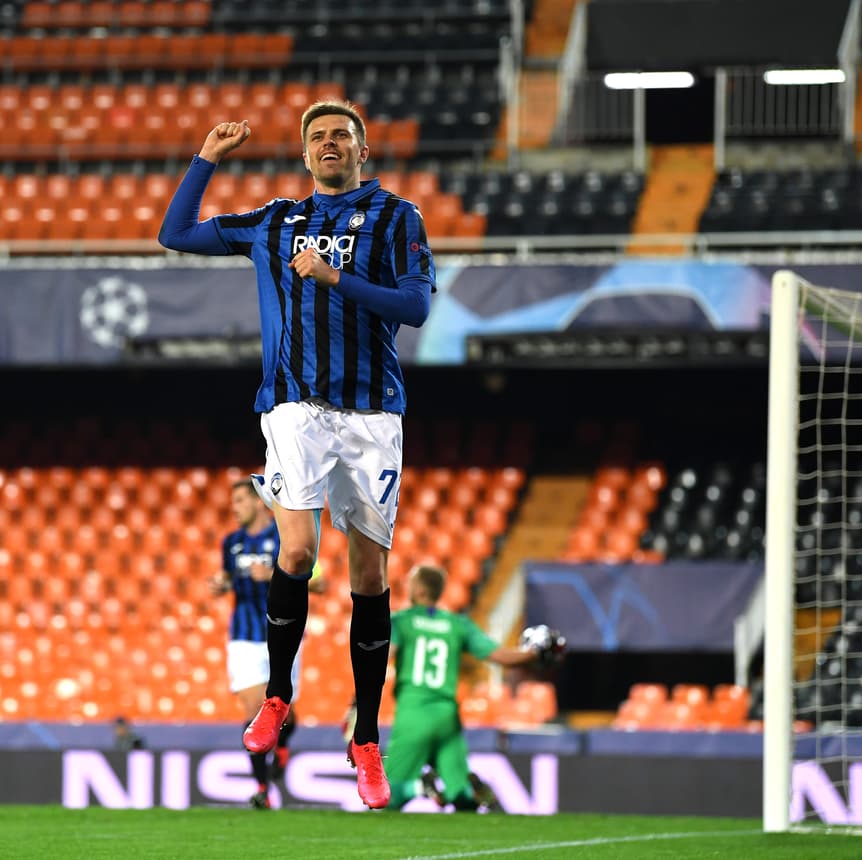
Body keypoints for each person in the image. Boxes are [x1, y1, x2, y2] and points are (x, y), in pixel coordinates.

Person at [159, 99, 436, 810]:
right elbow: (176, 233)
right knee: (296, 553)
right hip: (294, 406)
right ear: (305, 155)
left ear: (362, 152)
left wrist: (334, 276)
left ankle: (366, 736)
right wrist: (207, 159)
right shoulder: (276, 221)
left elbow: (415, 308)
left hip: (372, 413)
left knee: (369, 574)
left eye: (342, 135)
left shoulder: (398, 219)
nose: (329, 144)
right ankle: (278, 697)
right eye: (318, 137)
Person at [383, 564, 550, 812]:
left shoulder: (401, 621)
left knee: (386, 798)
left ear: (418, 590)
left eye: (410, 583)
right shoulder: (457, 624)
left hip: (414, 711)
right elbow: (500, 655)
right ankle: (464, 792)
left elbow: (382, 658)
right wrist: (535, 651)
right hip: (447, 716)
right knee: (461, 796)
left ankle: (419, 786)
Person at [211, 477, 325, 809]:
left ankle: (284, 748)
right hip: (244, 636)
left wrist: (275, 575)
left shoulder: (284, 537)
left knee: (286, 714)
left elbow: (319, 583)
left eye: (240, 501)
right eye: (232, 503)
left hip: (282, 635)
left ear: (257, 502)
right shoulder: (230, 542)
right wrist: (222, 583)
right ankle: (263, 789)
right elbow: (230, 576)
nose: (235, 508)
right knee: (253, 712)